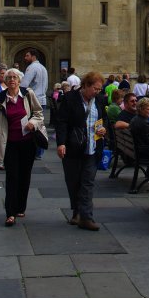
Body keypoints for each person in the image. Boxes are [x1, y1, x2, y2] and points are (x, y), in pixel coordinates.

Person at [0, 67, 45, 226]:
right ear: (5, 81)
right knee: (12, 177)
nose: (12, 80)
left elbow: (39, 114)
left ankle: (21, 206)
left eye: (15, 77)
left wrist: (32, 123)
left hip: (28, 142)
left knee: (25, 175)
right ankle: (10, 213)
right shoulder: (0, 98)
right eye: (9, 78)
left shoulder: (28, 94)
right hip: (10, 143)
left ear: (19, 80)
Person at [55, 71, 106, 229]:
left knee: (88, 183)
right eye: (95, 89)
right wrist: (61, 143)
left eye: (99, 89)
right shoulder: (70, 99)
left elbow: (103, 120)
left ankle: (86, 217)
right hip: (73, 147)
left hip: (92, 147)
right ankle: (77, 212)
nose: (97, 92)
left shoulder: (99, 100)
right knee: (74, 182)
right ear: (85, 85)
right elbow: (61, 122)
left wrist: (103, 129)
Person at [21, 50, 48, 158]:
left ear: (33, 56)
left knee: (31, 126)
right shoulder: (43, 68)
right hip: (42, 99)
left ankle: (34, 151)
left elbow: (24, 85)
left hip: (33, 100)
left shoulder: (31, 68)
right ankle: (39, 152)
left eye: (27, 55)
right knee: (40, 126)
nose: (25, 58)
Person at [128, 97, 149, 171]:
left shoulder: (135, 119)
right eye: (148, 109)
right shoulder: (143, 123)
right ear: (141, 109)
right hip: (143, 152)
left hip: (136, 149)